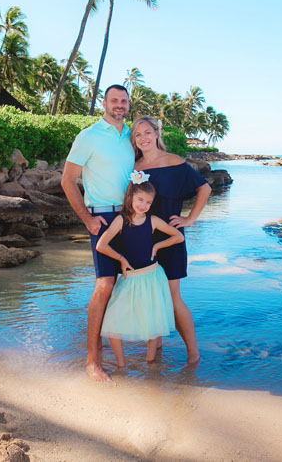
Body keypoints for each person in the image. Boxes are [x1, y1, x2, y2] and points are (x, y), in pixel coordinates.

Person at [61, 84, 135, 382]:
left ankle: (133, 350)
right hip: (103, 215)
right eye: (114, 100)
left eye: (124, 101)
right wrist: (88, 220)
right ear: (104, 103)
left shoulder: (132, 135)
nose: (119, 105)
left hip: (133, 215)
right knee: (105, 285)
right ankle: (92, 360)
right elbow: (67, 181)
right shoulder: (88, 136)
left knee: (136, 281)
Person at [131, 115, 210, 366]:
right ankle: (155, 352)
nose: (143, 138)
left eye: (146, 132)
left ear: (156, 133)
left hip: (171, 237)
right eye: (137, 135)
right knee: (150, 296)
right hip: (143, 238)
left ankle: (193, 354)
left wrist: (190, 219)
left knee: (173, 297)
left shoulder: (175, 163)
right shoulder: (135, 167)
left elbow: (205, 188)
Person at [95, 174, 183, 368]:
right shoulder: (120, 220)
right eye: (140, 200)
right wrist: (121, 259)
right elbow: (101, 245)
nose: (143, 205)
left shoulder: (153, 220)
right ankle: (121, 365)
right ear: (130, 198)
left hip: (153, 276)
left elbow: (178, 236)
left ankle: (151, 366)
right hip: (130, 277)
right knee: (113, 321)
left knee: (154, 322)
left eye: (148, 202)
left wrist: (157, 246)